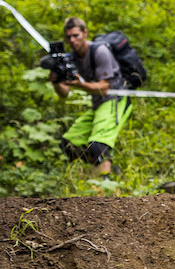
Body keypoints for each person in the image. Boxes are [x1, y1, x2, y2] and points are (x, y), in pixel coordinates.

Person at [49, 17, 132, 177]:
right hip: (98, 104)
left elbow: (104, 87)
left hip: (114, 100)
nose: (72, 40)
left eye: (76, 35)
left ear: (85, 33)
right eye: (68, 37)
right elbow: (64, 93)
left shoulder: (100, 52)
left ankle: (105, 186)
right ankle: (109, 170)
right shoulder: (71, 59)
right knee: (68, 146)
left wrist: (80, 85)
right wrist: (56, 82)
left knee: (97, 146)